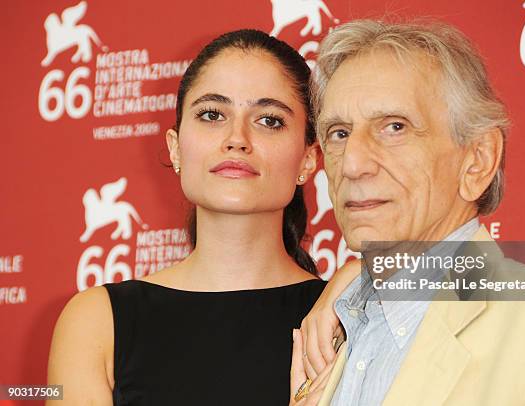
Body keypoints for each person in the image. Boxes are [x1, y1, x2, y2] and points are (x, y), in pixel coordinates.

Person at [290, 20, 525, 405]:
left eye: (394, 127)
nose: (352, 163)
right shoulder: (332, 329)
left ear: (477, 161)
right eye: (339, 133)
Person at [47, 29, 327, 405]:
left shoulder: (343, 317)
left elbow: (432, 270)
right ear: (176, 149)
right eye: (212, 114)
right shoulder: (97, 321)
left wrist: (358, 278)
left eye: (269, 120)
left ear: (308, 159)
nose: (237, 138)